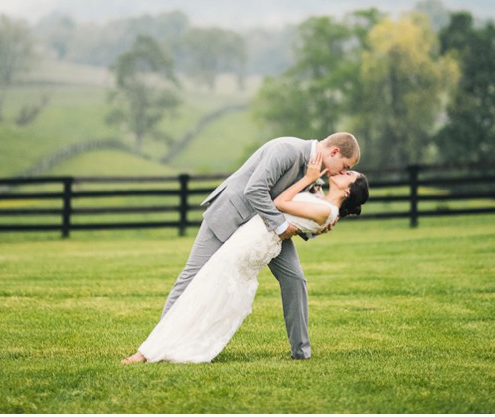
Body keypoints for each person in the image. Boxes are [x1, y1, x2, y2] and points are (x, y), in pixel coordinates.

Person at [122, 150, 369, 363]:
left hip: (259, 238)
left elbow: (284, 203)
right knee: (198, 282)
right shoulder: (290, 152)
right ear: (335, 152)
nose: (343, 171)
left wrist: (310, 183)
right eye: (347, 168)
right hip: (249, 226)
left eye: (348, 173)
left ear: (347, 191)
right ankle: (160, 342)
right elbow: (266, 193)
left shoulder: (325, 206)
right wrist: (313, 186)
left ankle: (300, 351)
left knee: (284, 281)